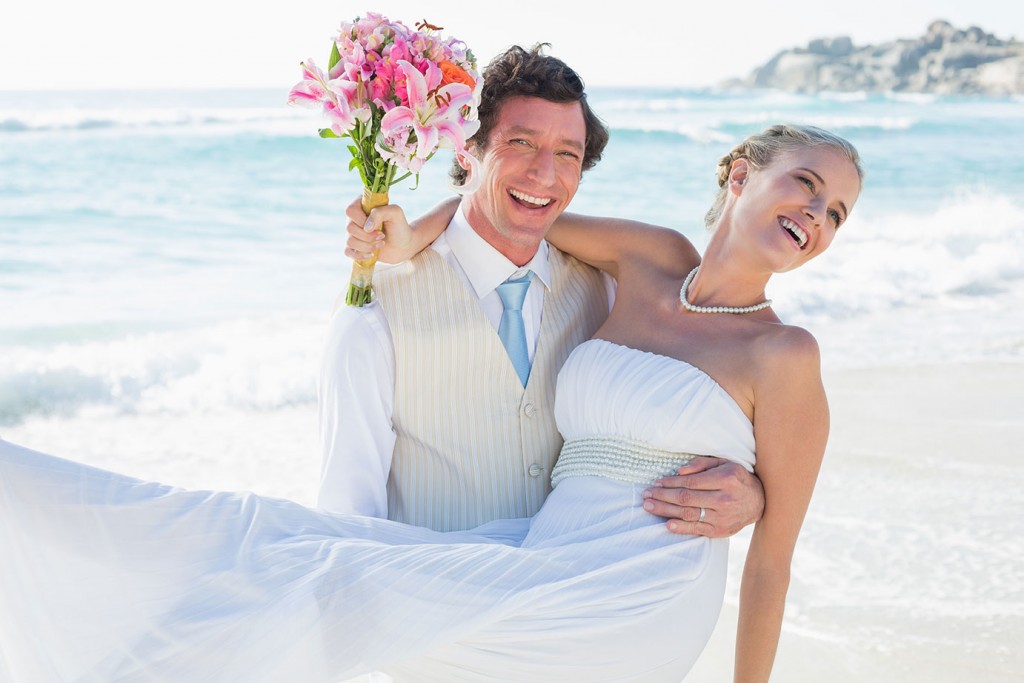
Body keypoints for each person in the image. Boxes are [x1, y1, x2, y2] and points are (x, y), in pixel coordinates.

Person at [0, 123, 862, 682]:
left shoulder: (784, 353)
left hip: (633, 596)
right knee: (266, 530)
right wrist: (410, 238)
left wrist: (755, 498)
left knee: (327, 582)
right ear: (743, 174)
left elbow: (772, 561)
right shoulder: (649, 257)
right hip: (541, 552)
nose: (816, 215)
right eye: (807, 185)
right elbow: (500, 211)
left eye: (835, 213)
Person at [318, 44, 763, 537]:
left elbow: (675, 414)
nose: (545, 174)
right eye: (522, 143)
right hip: (437, 602)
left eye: (568, 154)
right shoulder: (376, 306)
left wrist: (751, 494)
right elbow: (346, 514)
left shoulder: (612, 291)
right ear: (467, 150)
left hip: (581, 590)